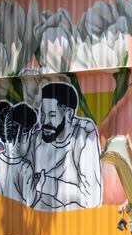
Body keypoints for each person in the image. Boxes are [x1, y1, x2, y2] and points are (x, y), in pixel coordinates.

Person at [30, 82, 102, 211]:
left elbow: (92, 198)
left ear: (69, 115)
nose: (45, 122)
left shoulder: (83, 133)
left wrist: (46, 183)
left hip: (73, 220)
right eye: (43, 115)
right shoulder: (37, 138)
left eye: (52, 115)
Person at [0, 101, 38, 206]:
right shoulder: (25, 168)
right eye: (29, 135)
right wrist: (40, 183)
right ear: (23, 136)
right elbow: (30, 201)